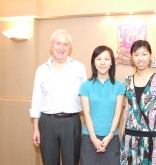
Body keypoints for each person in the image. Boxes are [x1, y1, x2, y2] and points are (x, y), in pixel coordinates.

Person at [29, 29, 87, 165]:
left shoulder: (79, 68)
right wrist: (36, 128)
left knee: (72, 162)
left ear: (70, 47)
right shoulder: (41, 70)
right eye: (58, 43)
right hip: (47, 123)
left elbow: (86, 99)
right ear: (51, 45)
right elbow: (36, 100)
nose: (61, 48)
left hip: (72, 122)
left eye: (65, 44)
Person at [120, 40, 156, 165]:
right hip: (129, 137)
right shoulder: (127, 80)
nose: (140, 58)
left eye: (144, 54)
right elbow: (126, 110)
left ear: (150, 56)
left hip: (151, 138)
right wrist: (121, 135)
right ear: (131, 58)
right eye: (136, 54)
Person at [79, 45, 125, 165]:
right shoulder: (85, 86)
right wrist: (94, 138)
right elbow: (86, 113)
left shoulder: (119, 86)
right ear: (94, 62)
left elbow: (118, 113)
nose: (102, 62)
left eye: (106, 59)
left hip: (111, 138)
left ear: (111, 63)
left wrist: (110, 136)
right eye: (99, 59)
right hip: (89, 139)